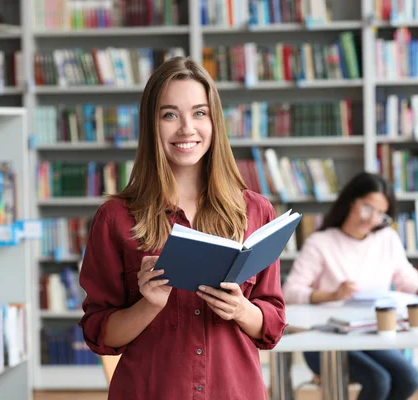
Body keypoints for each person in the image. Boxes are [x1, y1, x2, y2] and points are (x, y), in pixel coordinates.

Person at [78, 56, 287, 400]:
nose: (186, 128)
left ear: (214, 121)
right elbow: (100, 334)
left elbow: (272, 326)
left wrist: (240, 309)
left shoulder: (255, 212)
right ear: (152, 124)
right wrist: (148, 305)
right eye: (170, 114)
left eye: (199, 113)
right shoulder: (116, 218)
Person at [282, 171, 418, 400]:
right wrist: (332, 295)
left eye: (381, 214)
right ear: (350, 201)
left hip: (372, 335)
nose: (372, 219)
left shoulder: (387, 238)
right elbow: (290, 292)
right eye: (368, 208)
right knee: (378, 380)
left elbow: (406, 276)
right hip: (325, 339)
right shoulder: (321, 243)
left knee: (409, 379)